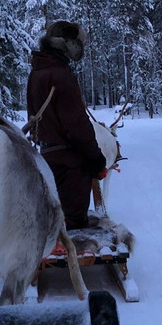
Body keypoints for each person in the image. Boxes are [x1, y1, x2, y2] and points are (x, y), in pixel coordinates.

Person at [27, 20, 107, 231]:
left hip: (45, 159)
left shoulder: (36, 73)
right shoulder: (61, 75)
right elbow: (77, 126)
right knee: (73, 226)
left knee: (51, 223)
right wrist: (96, 159)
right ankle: (75, 261)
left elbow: (33, 116)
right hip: (70, 165)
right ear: (68, 44)